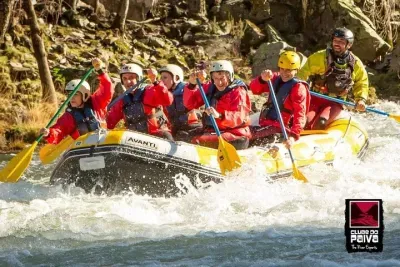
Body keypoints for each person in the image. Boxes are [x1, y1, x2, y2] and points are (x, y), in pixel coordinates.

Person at [297, 27, 369, 130]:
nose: (336, 43)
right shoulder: (320, 57)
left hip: (335, 102)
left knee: (321, 122)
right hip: (315, 98)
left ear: (349, 44)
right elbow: (303, 72)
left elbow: (362, 83)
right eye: (335, 40)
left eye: (341, 41)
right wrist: (298, 87)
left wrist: (361, 100)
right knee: (305, 121)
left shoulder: (355, 63)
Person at [40, 58, 113, 144]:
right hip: (83, 147)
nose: (71, 98)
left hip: (103, 141)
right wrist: (49, 133)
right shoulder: (68, 116)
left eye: (75, 94)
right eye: (69, 95)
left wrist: (100, 70)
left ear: (85, 95)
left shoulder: (97, 103)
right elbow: (59, 130)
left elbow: (107, 88)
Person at [184, 60, 252, 150]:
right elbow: (190, 104)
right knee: (184, 136)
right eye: (215, 78)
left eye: (222, 78)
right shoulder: (210, 88)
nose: (219, 83)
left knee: (196, 140)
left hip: (236, 134)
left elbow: (238, 116)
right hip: (214, 130)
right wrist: (192, 85)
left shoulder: (238, 92)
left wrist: (219, 115)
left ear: (230, 76)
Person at [249, 51, 310, 148]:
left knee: (247, 135)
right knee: (244, 131)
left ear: (296, 70)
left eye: (289, 70)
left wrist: (293, 136)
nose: (284, 73)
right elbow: (254, 89)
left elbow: (300, 114)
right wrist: (262, 79)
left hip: (281, 128)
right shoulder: (274, 78)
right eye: (282, 69)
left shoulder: (298, 88)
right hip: (266, 122)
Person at [106, 63, 174, 140]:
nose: (128, 82)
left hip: (157, 135)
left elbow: (167, 100)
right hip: (136, 139)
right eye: (124, 79)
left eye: (131, 78)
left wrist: (155, 82)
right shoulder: (122, 101)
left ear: (139, 79)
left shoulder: (150, 90)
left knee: (166, 135)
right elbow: (110, 121)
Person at [158, 64, 202, 141]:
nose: (161, 80)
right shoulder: (165, 94)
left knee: (181, 135)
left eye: (165, 77)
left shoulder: (188, 89)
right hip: (177, 128)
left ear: (176, 78)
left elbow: (195, 93)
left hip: (193, 127)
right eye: (161, 78)